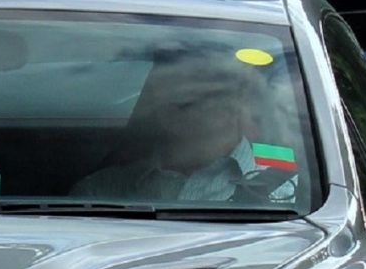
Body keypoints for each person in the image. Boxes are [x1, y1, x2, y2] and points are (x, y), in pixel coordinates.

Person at [71, 50, 310, 208]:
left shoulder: (295, 187)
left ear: (240, 98)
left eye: (209, 85)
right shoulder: (100, 192)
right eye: (173, 82)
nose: (187, 91)